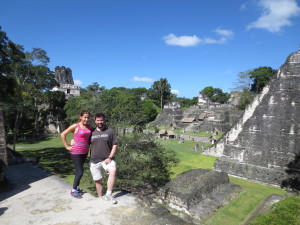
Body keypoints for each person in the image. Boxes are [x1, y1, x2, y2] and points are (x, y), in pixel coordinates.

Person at [61, 110, 91, 198]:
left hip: (85, 152)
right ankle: (73, 190)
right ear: (81, 117)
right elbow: (63, 134)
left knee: (79, 171)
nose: (86, 119)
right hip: (76, 152)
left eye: (88, 117)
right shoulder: (76, 126)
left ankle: (76, 187)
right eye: (85, 117)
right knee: (80, 171)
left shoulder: (89, 126)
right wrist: (67, 146)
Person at [90, 112, 118, 204]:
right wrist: (74, 140)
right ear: (95, 121)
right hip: (94, 160)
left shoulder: (110, 131)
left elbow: (115, 145)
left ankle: (109, 194)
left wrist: (110, 157)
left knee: (113, 171)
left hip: (107, 159)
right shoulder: (92, 131)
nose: (100, 122)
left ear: (104, 120)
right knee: (98, 181)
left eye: (101, 120)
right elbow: (81, 138)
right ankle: (100, 198)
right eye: (98, 120)